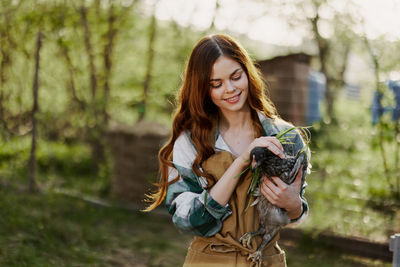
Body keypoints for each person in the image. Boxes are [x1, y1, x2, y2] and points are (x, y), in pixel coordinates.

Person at [144, 34, 310, 267]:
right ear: (203, 88)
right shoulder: (189, 142)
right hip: (209, 260)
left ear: (248, 73)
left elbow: (296, 213)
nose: (230, 89)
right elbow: (185, 221)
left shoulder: (286, 137)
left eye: (235, 77)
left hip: (265, 259)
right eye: (216, 84)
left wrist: (294, 204)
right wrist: (242, 161)